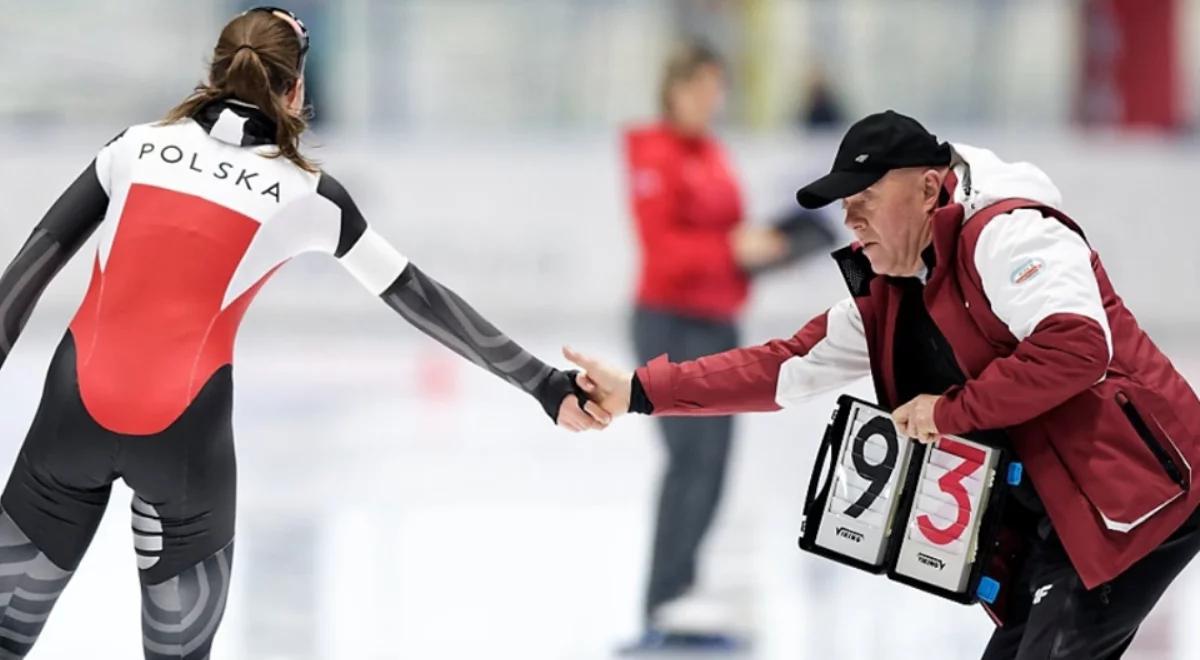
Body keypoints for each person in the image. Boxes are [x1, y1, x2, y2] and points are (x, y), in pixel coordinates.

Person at [0, 8, 605, 659]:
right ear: (294, 91)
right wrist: (544, 384)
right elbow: (424, 300)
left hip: (70, 421)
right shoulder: (310, 194)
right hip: (184, 445)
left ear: (213, 73)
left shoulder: (132, 147)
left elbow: (23, 279)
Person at [569, 110, 1200, 659]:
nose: (849, 219)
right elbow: (783, 365)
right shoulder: (897, 292)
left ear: (928, 189)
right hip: (1068, 511)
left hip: (1143, 491)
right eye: (843, 205)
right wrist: (639, 392)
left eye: (863, 198)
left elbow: (1078, 347)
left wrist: (950, 411)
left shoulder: (1011, 233)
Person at [620, 40, 794, 651]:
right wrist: (732, 252)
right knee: (689, 461)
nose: (711, 100)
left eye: (717, 89)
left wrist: (768, 250)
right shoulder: (651, 151)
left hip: (719, 324)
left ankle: (681, 593)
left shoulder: (713, 152)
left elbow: (726, 235)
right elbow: (664, 251)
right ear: (674, 89)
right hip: (670, 324)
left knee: (715, 466)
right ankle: (661, 601)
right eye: (701, 88)